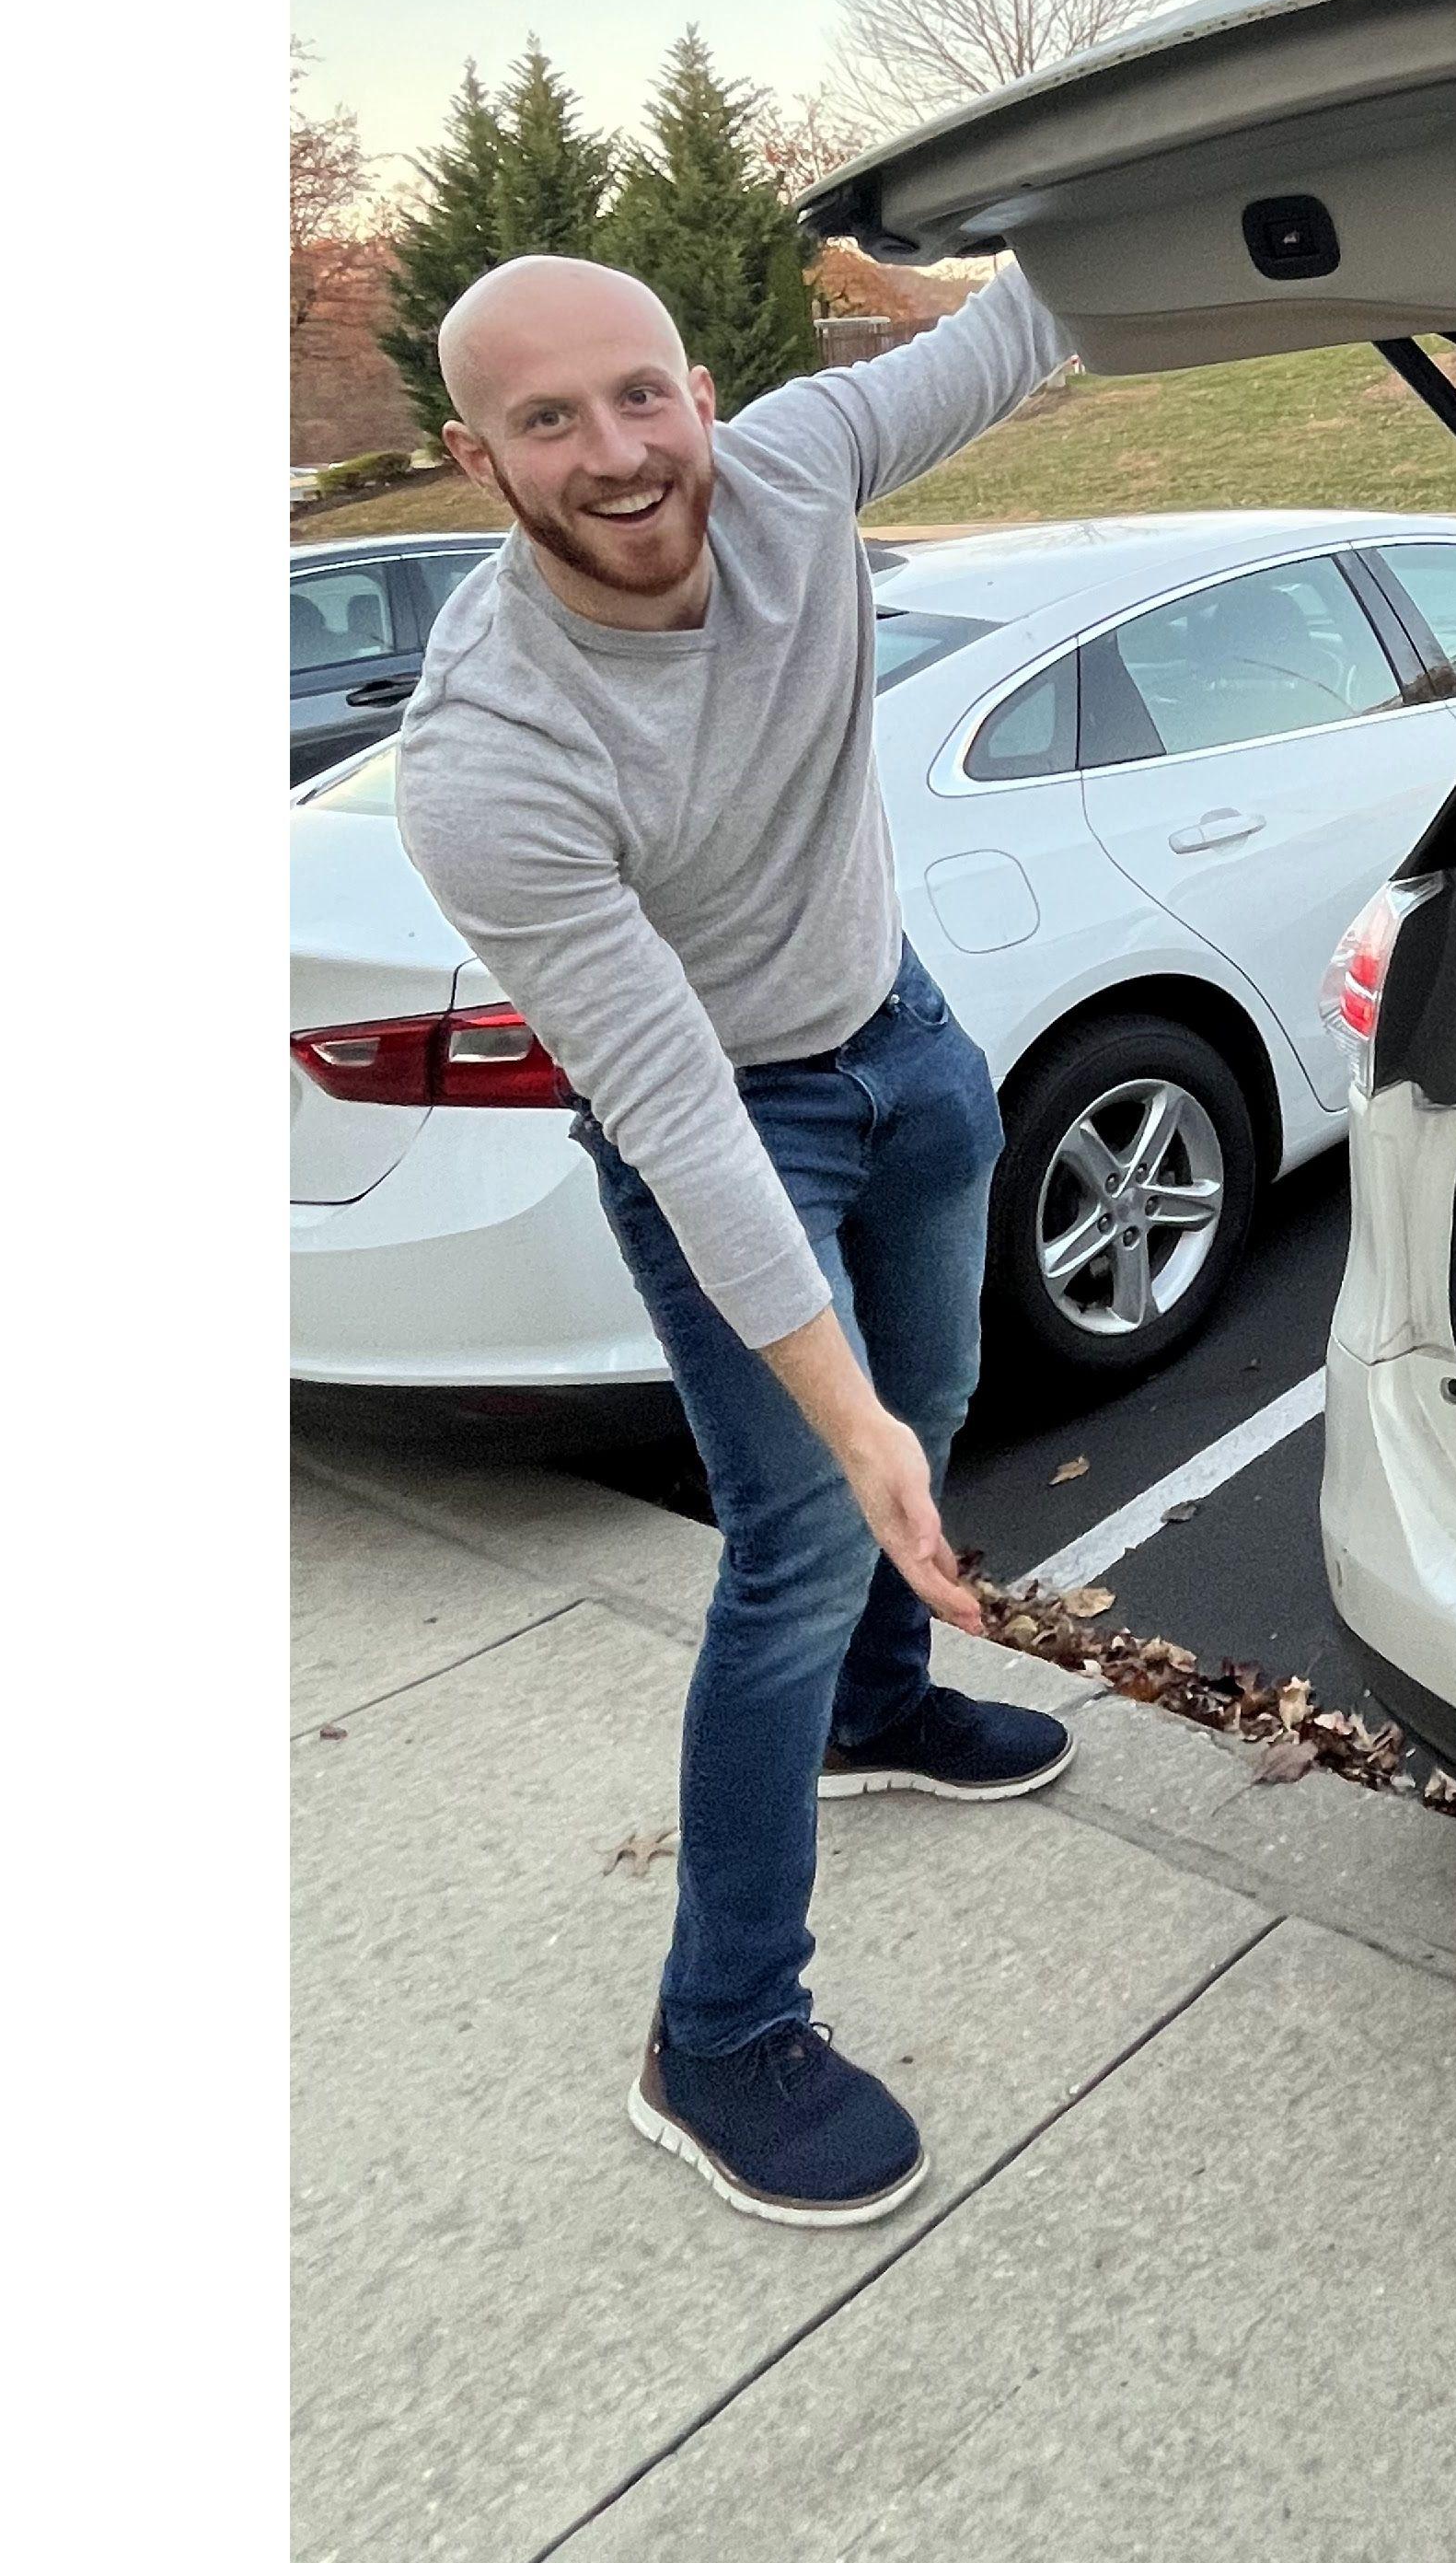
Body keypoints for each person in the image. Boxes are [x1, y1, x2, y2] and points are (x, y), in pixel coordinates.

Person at [398, 247, 1071, 2228]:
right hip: (730, 1111)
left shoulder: (791, 467)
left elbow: (1030, 321)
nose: (615, 456)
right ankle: (717, 2032)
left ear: (700, 390)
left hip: (906, 1030)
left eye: (636, 397)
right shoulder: (493, 758)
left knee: (937, 1395)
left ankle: (880, 1716)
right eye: (547, 420)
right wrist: (838, 1422)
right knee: (799, 1536)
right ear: (475, 455)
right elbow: (680, 1111)